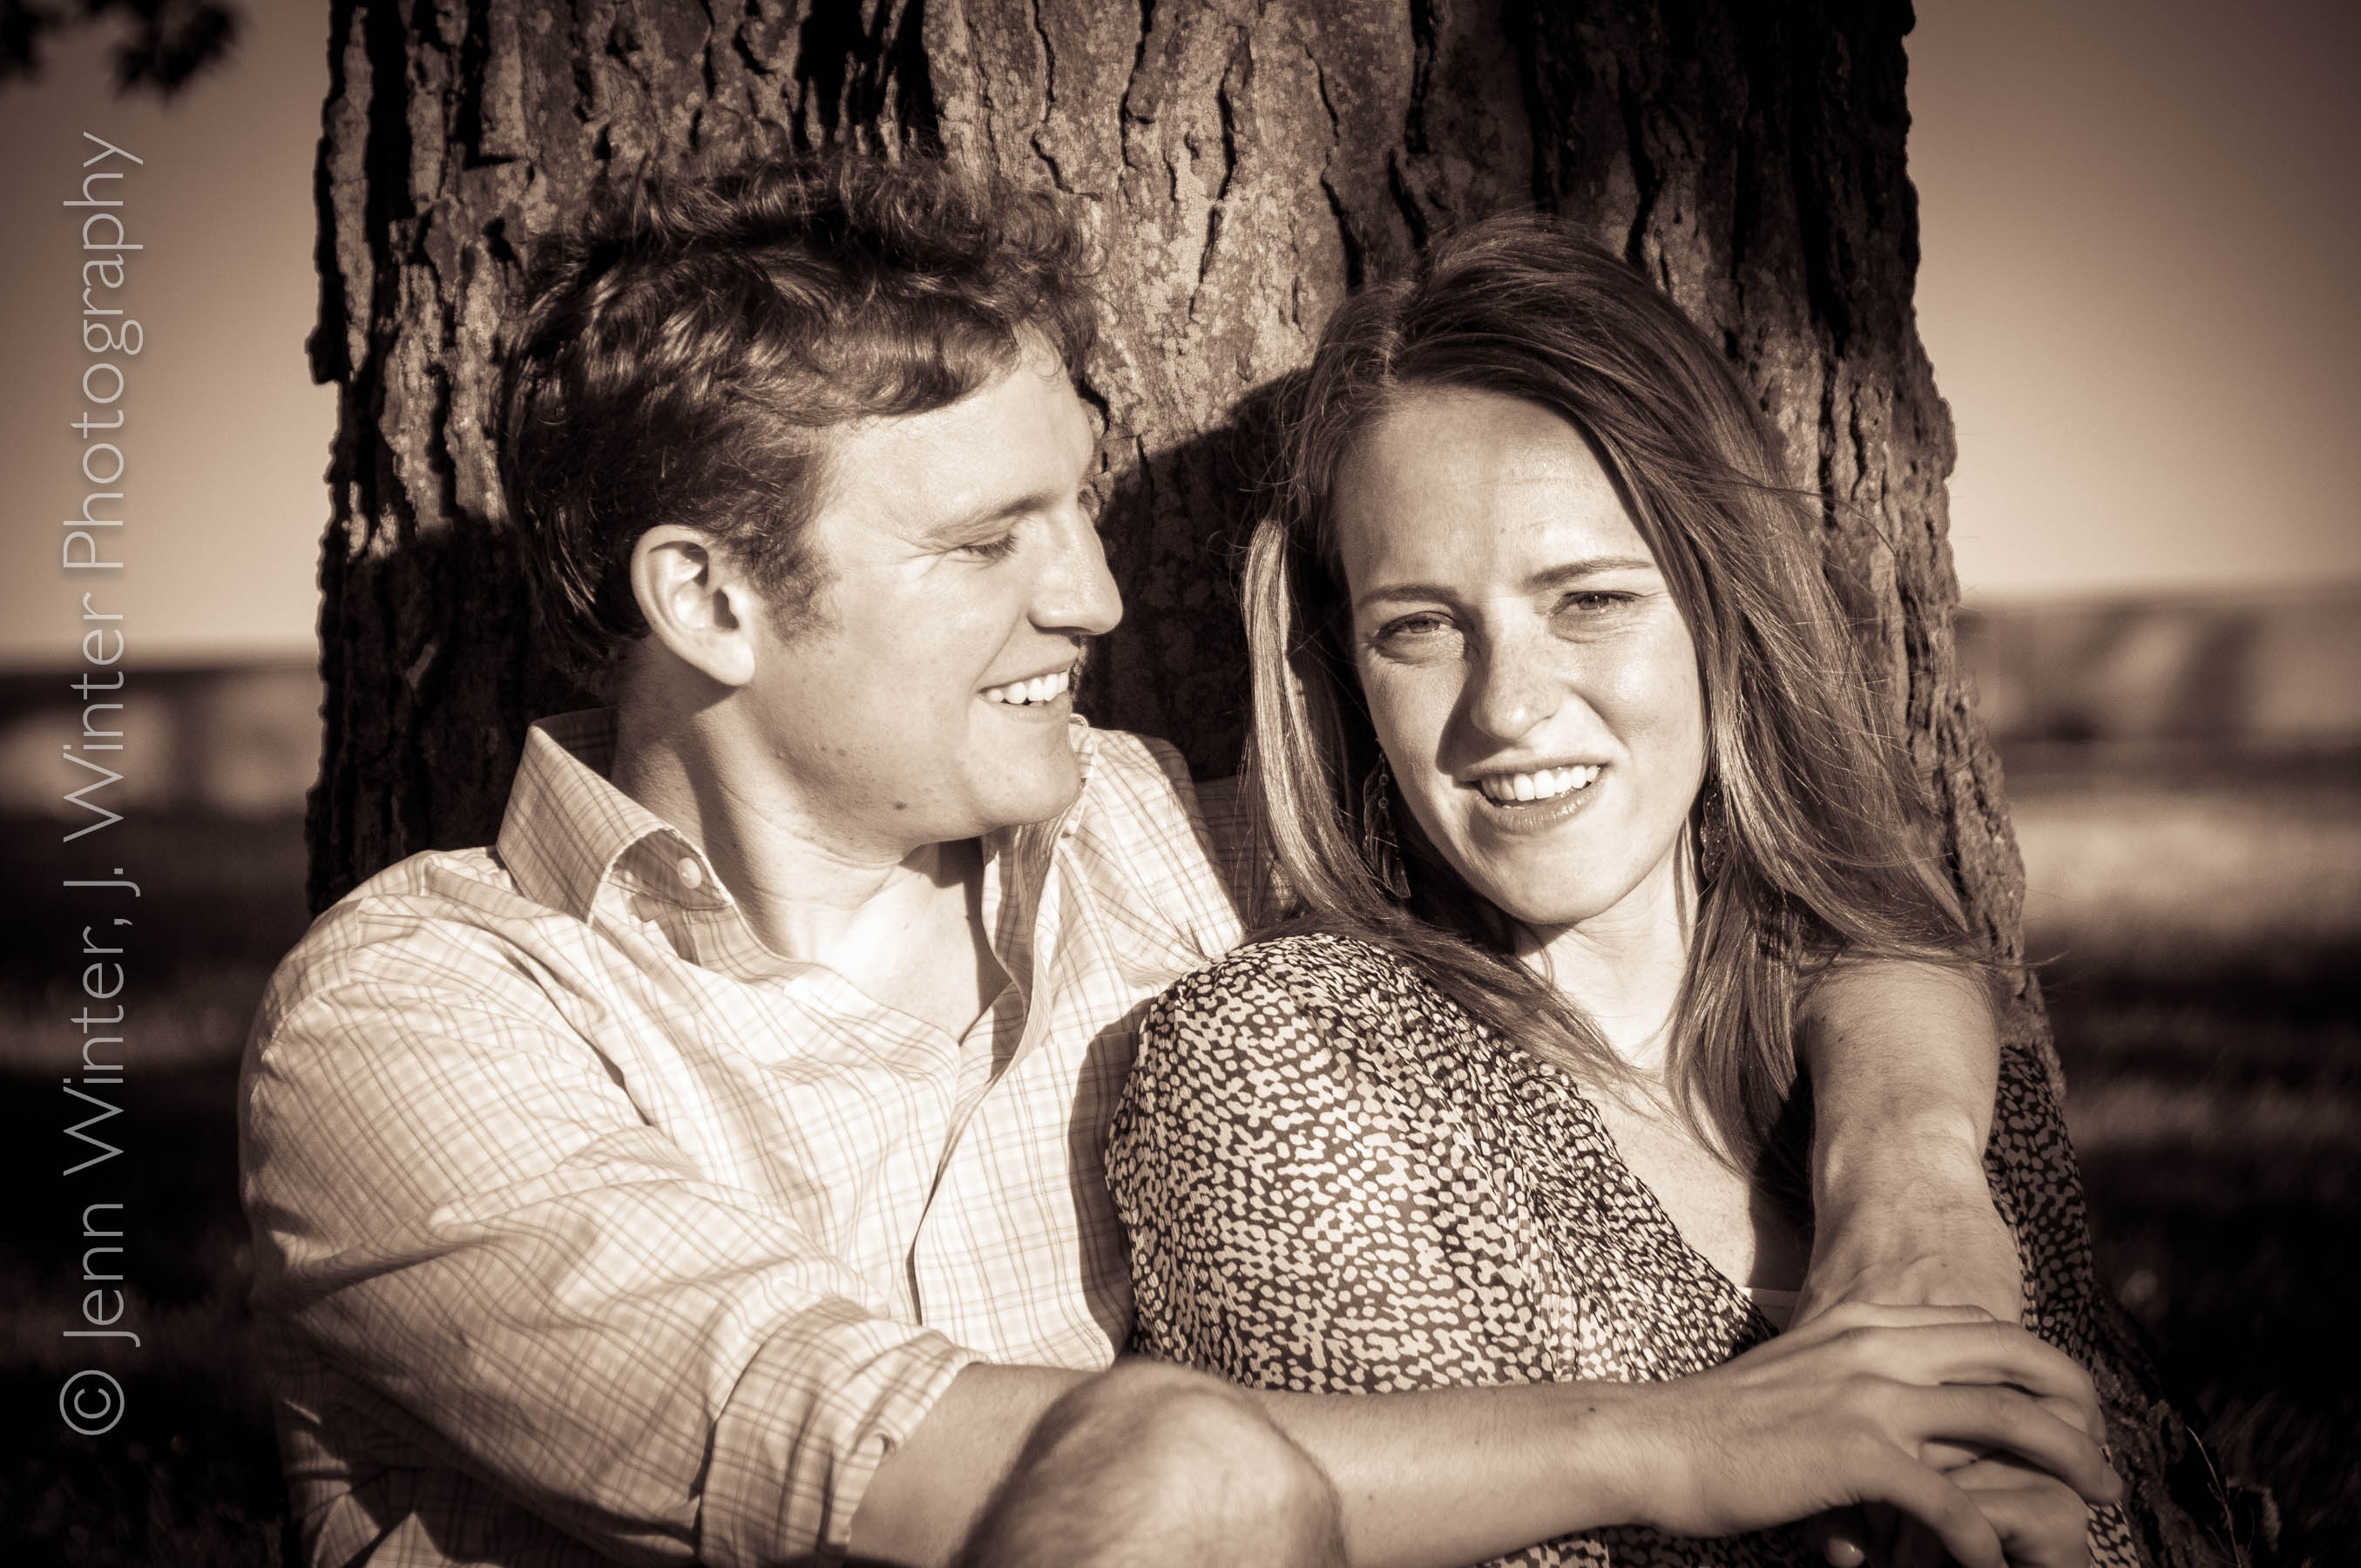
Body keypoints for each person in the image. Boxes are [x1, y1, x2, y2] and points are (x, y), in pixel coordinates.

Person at [241, 151, 2112, 1568]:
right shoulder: (418, 1021)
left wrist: (1905, 1177)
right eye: (991, 540)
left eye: (1079, 505)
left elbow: (1770, 905)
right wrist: (1685, 1445)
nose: (1095, 596)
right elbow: (872, 1443)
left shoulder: (1157, 844)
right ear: (710, 599)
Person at [1107, 215, 2157, 1567]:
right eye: (1417, 627)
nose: (1508, 707)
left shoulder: (1940, 1104)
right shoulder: (1287, 1064)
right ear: (1346, 674)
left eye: (1589, 600)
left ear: (1727, 611)